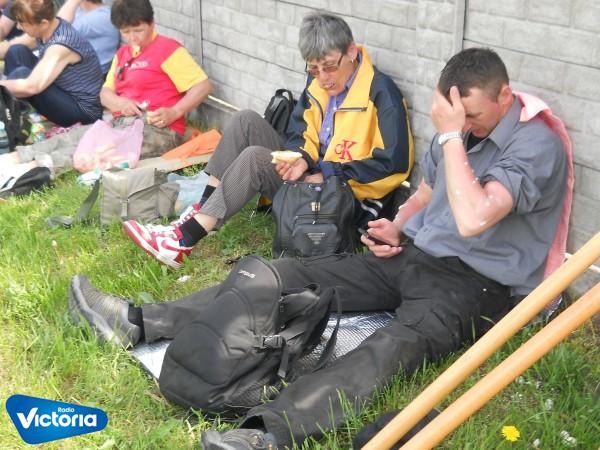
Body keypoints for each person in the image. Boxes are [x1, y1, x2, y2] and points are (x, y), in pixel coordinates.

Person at [68, 48, 568, 449]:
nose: (468, 126)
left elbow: (476, 215)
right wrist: (398, 225)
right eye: (461, 119)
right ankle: (138, 322)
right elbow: (428, 191)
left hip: (477, 285)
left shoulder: (534, 144)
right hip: (414, 256)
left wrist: (453, 136)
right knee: (288, 275)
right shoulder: (458, 133)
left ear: (505, 95)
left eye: (474, 116)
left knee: (390, 348)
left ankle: (265, 434)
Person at [121, 12, 414, 268]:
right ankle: (202, 212)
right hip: (313, 179)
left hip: (344, 201)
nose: (323, 78)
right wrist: (301, 158)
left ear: (351, 51)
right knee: (245, 120)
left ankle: (182, 240)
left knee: (255, 159)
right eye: (314, 69)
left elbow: (394, 165)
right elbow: (300, 131)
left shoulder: (381, 93)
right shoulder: (318, 81)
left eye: (329, 66)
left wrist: (326, 173)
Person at [0, 0, 212, 179]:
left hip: (157, 129)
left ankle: (26, 171)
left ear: (152, 23)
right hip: (122, 122)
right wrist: (119, 103)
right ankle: (14, 159)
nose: (133, 38)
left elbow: (203, 86)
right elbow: (104, 93)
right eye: (126, 32)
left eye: (138, 30)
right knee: (74, 137)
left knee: (93, 150)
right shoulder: (124, 53)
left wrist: (174, 111)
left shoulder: (168, 50)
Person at [0, 0, 103, 127]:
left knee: (22, 75)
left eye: (22, 23)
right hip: (62, 90)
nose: (18, 27)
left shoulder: (61, 45)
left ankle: (9, 118)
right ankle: (15, 111)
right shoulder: (51, 24)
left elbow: (32, 86)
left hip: (84, 112)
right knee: (16, 51)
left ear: (43, 23)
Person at [55, 0, 120, 76]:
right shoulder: (79, 10)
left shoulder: (102, 16)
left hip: (92, 76)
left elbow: (58, 30)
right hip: (75, 70)